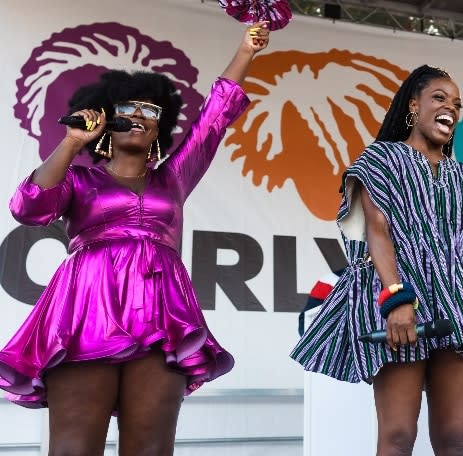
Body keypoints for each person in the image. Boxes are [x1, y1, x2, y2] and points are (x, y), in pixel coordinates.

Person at [0, 23, 270, 455]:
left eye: (151, 111)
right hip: (86, 307)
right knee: (73, 447)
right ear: (107, 119)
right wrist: (71, 142)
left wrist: (246, 50)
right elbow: (27, 207)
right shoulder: (80, 177)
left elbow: (215, 116)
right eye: (130, 108)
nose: (141, 116)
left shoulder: (175, 177)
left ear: (159, 130)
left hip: (160, 311)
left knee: (151, 448)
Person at [291, 65, 463, 456]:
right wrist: (396, 300)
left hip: (458, 308)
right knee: (398, 436)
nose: (450, 107)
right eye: (439, 98)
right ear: (413, 106)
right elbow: (377, 230)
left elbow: (456, 252)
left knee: (455, 439)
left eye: (456, 104)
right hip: (399, 303)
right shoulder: (382, 157)